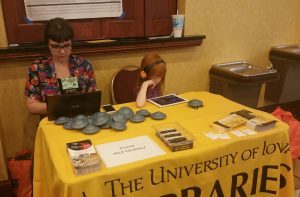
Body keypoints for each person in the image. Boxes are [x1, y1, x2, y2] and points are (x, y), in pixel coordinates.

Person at [24, 17, 97, 115]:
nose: (62, 51)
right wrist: (64, 106)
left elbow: (93, 99)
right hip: (52, 123)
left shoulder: (84, 65)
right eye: (56, 46)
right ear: (48, 44)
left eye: (67, 45)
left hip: (81, 120)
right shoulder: (37, 68)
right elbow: (31, 107)